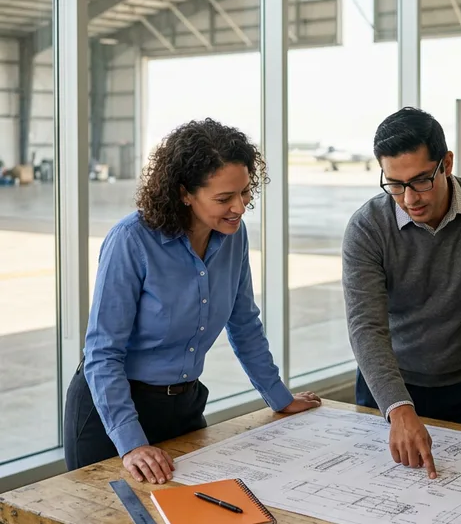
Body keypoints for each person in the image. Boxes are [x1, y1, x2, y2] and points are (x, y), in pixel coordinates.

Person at [64, 118, 321, 484]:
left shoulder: (234, 236)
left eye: (245, 192)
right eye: (223, 198)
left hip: (184, 407)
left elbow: (244, 323)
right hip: (111, 415)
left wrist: (279, 397)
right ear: (184, 193)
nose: (239, 207)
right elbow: (103, 352)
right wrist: (132, 443)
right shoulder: (131, 241)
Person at [341, 107, 461, 480]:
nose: (409, 198)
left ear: (446, 163)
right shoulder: (367, 227)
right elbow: (366, 327)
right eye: (395, 184)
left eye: (420, 181)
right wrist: (399, 409)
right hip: (387, 389)